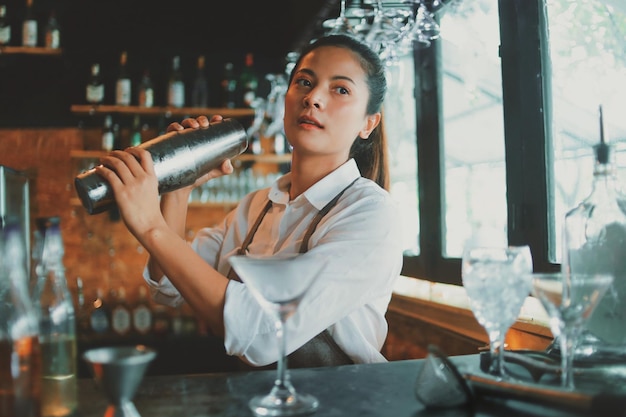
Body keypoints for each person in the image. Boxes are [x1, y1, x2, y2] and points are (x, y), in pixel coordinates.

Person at [95, 34, 403, 368]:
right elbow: (169, 285)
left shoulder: (371, 215)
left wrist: (150, 224)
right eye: (304, 81)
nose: (313, 97)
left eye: (340, 89)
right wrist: (179, 188)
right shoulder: (255, 208)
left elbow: (264, 334)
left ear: (368, 123)